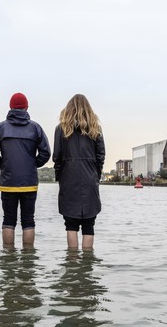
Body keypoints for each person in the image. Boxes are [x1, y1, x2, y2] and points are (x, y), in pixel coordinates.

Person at [0, 92, 51, 248]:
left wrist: (3, 165)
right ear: (27, 107)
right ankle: (28, 256)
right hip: (29, 181)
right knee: (28, 220)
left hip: (8, 181)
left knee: (8, 220)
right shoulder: (35, 128)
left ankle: (8, 255)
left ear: (10, 107)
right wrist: (32, 164)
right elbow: (46, 152)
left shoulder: (1, 127)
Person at [53, 94, 105, 250]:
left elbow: (57, 157)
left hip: (69, 179)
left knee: (71, 224)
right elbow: (101, 156)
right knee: (89, 224)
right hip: (90, 178)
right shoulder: (95, 128)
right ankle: (87, 263)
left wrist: (60, 177)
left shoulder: (61, 129)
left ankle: (72, 261)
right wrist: (95, 174)